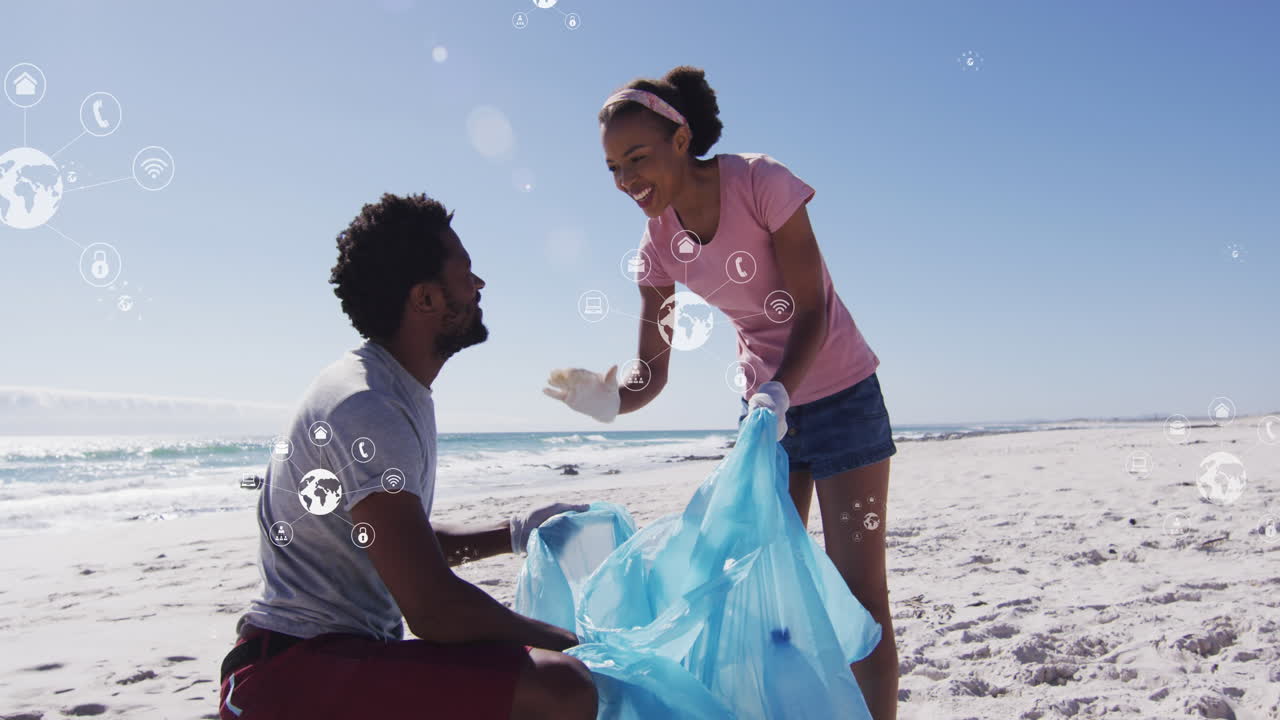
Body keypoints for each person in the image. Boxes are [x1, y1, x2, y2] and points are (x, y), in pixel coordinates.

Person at [542, 66, 898, 719]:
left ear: (681, 139)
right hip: (766, 418)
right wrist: (608, 397)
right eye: (613, 168)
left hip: (841, 394)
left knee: (858, 594)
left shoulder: (761, 182)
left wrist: (781, 392)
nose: (625, 180)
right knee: (762, 591)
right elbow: (653, 371)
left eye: (637, 157)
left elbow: (813, 308)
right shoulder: (658, 244)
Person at [220, 193, 598, 720]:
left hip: (339, 659)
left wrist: (516, 531)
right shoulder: (368, 404)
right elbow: (432, 609)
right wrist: (570, 642)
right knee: (563, 686)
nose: (480, 285)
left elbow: (405, 549)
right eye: (467, 273)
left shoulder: (391, 390)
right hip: (289, 674)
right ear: (426, 299)